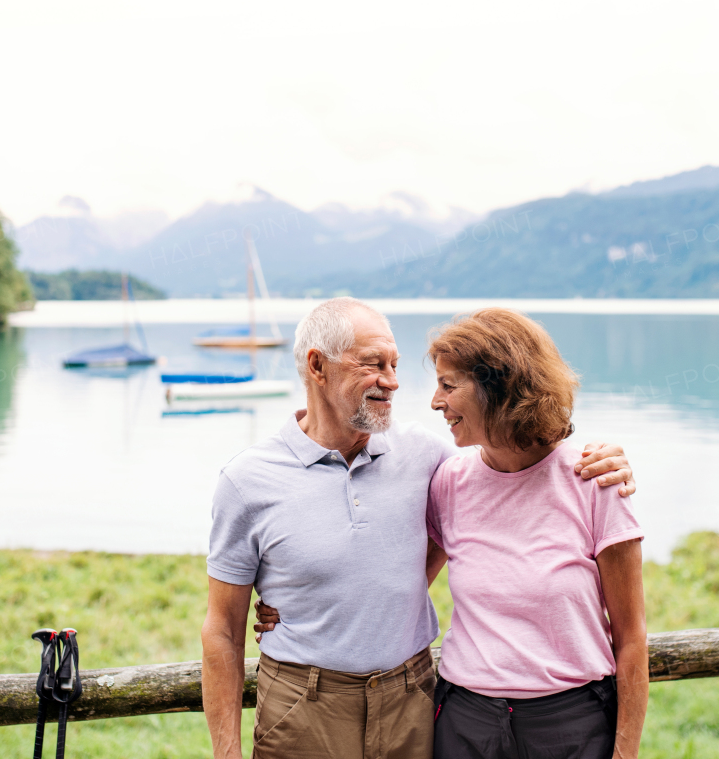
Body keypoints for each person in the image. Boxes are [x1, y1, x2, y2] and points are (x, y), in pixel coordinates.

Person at [201, 297, 637, 759]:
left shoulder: (429, 456)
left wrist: (607, 460)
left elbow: (515, 459)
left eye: (394, 364)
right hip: (303, 707)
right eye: (373, 364)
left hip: (411, 699)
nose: (391, 382)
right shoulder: (247, 480)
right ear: (317, 365)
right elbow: (222, 631)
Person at [425, 308, 647, 759]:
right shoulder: (448, 484)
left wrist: (624, 753)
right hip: (465, 723)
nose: (435, 401)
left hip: (571, 725)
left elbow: (631, 639)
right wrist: (288, 605)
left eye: (449, 385)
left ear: (499, 388)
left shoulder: (593, 480)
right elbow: (397, 586)